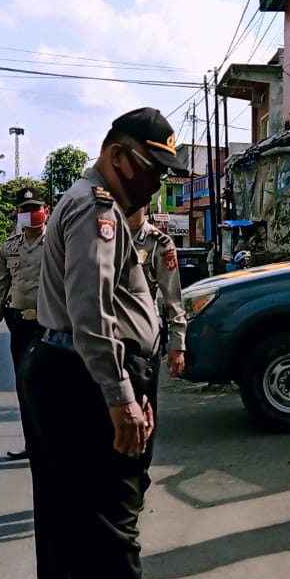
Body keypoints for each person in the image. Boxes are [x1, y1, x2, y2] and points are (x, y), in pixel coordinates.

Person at [16, 107, 211, 579]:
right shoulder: (97, 209)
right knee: (112, 519)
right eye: (152, 168)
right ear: (119, 157)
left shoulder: (88, 203)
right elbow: (92, 313)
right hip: (90, 376)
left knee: (70, 518)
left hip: (70, 370)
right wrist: (122, 396)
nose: (157, 183)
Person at [0, 186, 49, 460]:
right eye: (25, 209)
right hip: (20, 324)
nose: (30, 214)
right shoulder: (9, 248)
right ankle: (32, 445)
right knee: (25, 386)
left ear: (45, 211)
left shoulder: (59, 243)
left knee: (50, 386)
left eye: (35, 208)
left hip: (51, 324)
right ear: (17, 213)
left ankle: (52, 443)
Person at [124, 205, 187, 504]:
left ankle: (139, 477)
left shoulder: (159, 242)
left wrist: (177, 343)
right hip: (109, 338)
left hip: (142, 340)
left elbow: (172, 297)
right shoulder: (104, 236)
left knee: (145, 411)